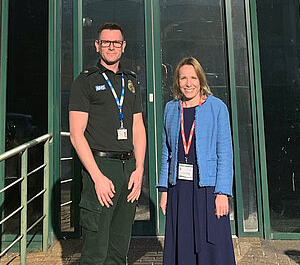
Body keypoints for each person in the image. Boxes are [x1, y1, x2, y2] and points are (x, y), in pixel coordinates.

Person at [69, 22, 147, 265]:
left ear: (123, 47)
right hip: (101, 168)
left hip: (128, 169)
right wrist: (97, 176)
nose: (111, 47)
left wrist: (139, 169)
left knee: (119, 248)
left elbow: (137, 127)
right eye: (106, 42)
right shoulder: (85, 81)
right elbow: (76, 134)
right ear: (97, 46)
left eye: (116, 42)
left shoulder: (131, 81)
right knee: (96, 251)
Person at [157, 57, 236, 265]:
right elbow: (167, 152)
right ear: (177, 81)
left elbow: (225, 153)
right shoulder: (171, 109)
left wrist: (222, 193)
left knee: (213, 245)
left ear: (201, 80)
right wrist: (164, 190)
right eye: (183, 78)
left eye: (193, 77)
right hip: (179, 189)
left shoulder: (217, 107)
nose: (188, 83)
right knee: (182, 244)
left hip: (207, 188)